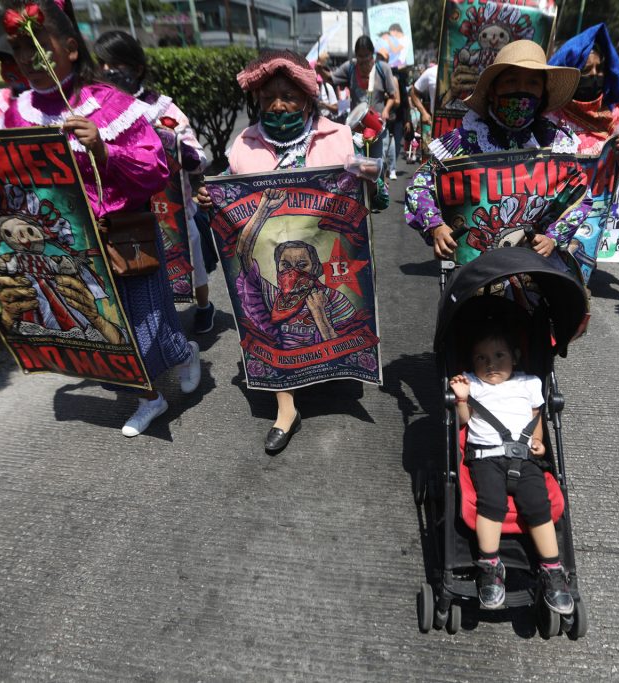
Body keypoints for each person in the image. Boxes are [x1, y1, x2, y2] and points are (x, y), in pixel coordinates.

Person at [0, 0, 201, 437]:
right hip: (65, 247)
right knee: (103, 332)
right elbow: (3, 175)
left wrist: (105, 150)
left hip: (123, 237)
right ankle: (150, 398)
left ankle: (184, 354)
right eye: (20, 50)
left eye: (40, 46)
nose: (30, 60)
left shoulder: (109, 104)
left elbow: (156, 170)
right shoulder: (19, 113)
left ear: (70, 47)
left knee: (149, 329)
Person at [195, 50, 387, 454]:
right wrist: (212, 198)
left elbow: (377, 201)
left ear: (308, 97)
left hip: (323, 251)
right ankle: (286, 408)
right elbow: (231, 200)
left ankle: (331, 369)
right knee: (270, 327)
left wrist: (373, 177)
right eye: (268, 98)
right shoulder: (243, 146)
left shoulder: (338, 138)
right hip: (266, 254)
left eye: (289, 96)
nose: (279, 105)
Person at [405, 40, 584, 260]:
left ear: (542, 93)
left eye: (532, 83)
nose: (522, 91)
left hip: (534, 268)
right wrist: (436, 226)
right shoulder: (464, 141)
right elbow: (419, 187)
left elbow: (580, 195)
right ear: (492, 91)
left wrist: (553, 237)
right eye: (511, 81)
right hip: (473, 271)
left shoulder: (554, 143)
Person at [93, 30, 217, 335]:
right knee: (139, 271)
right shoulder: (94, 108)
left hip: (171, 207)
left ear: (136, 68)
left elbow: (197, 157)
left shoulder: (163, 109)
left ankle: (203, 306)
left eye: (116, 63)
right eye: (102, 64)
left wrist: (170, 143)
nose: (109, 71)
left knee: (191, 263)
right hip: (123, 211)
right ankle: (159, 325)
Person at [450, 326, 573, 614]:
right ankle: (490, 565)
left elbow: (535, 418)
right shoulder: (471, 382)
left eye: (498, 355)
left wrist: (539, 441)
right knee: (490, 503)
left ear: (515, 357)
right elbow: (463, 421)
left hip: (524, 457)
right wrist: (461, 399)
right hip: (485, 458)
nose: (490, 364)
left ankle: (552, 569)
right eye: (481, 358)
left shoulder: (529, 382)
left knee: (537, 504)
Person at [547, 24, 619, 184]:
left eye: (600, 68)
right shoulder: (551, 116)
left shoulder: (615, 118)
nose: (595, 75)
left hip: (598, 206)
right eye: (587, 70)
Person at [330, 36, 400, 173]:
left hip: (377, 127)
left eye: (366, 56)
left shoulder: (382, 68)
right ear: (356, 55)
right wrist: (320, 70)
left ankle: (379, 193)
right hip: (357, 130)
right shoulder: (350, 67)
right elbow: (332, 78)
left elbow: (394, 97)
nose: (363, 60)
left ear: (372, 54)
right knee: (358, 168)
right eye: (360, 56)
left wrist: (386, 110)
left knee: (377, 166)